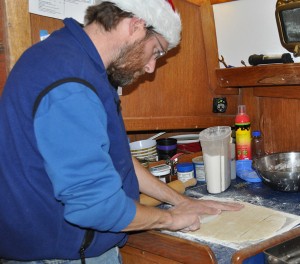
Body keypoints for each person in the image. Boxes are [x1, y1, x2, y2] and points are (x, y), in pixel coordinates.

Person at [0, 0, 243, 263]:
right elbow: (94, 207)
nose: (151, 67)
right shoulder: (70, 81)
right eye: (156, 52)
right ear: (136, 25)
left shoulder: (73, 61)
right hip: (57, 256)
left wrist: (178, 200)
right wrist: (170, 219)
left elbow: (117, 160)